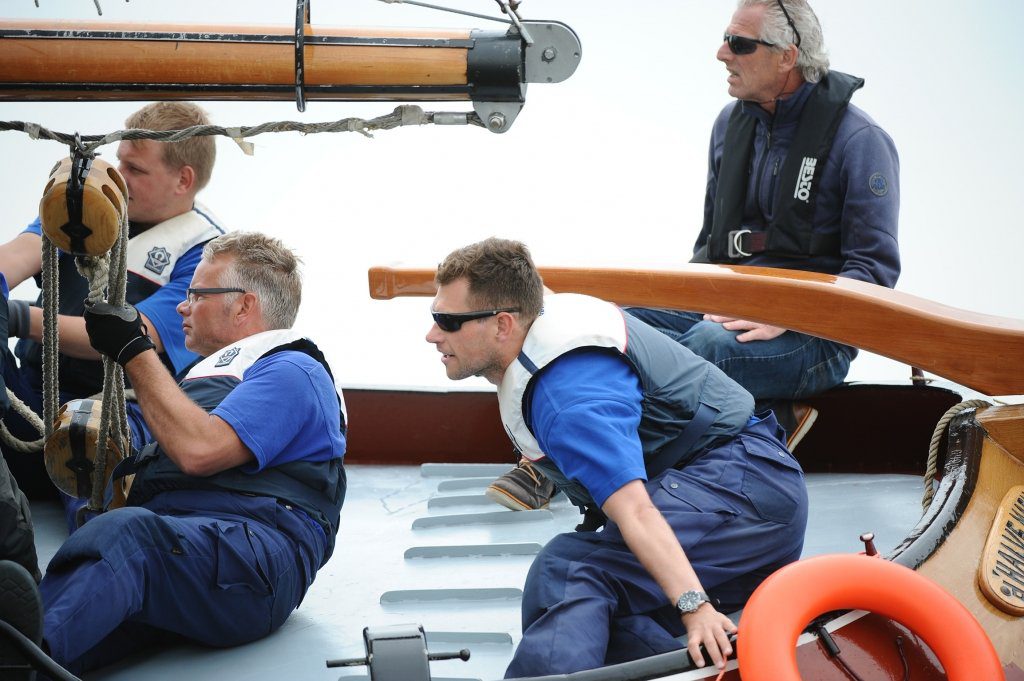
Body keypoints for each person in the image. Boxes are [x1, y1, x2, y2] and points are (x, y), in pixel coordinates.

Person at [490, 0, 901, 512]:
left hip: (816, 338)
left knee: (703, 345)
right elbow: (709, 250)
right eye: (726, 39)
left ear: (786, 56)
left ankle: (563, 472)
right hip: (727, 302)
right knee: (610, 324)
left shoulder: (860, 141)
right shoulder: (730, 126)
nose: (721, 53)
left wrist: (786, 312)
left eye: (739, 43)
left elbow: (875, 274)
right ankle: (767, 413)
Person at [426, 237, 808, 676]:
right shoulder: (533, 318)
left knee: (570, 571)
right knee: (596, 618)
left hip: (743, 491)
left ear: (503, 325)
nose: (433, 334)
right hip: (739, 500)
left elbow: (636, 513)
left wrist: (694, 605)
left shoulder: (569, 399)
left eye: (447, 321)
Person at [0, 232, 347, 677]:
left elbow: (199, 451)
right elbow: (117, 451)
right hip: (182, 559)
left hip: (252, 560)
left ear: (243, 305)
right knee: (76, 631)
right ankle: (24, 651)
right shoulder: (190, 389)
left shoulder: (294, 369)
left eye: (196, 294)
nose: (183, 307)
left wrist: (132, 350)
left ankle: (19, 655)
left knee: (125, 537)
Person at [0, 101, 227, 508]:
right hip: (31, 401)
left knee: (93, 488)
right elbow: (18, 255)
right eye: (119, 162)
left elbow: (132, 334)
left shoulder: (206, 259)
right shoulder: (82, 207)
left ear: (183, 180)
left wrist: (15, 317)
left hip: (115, 416)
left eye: (135, 170)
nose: (119, 179)